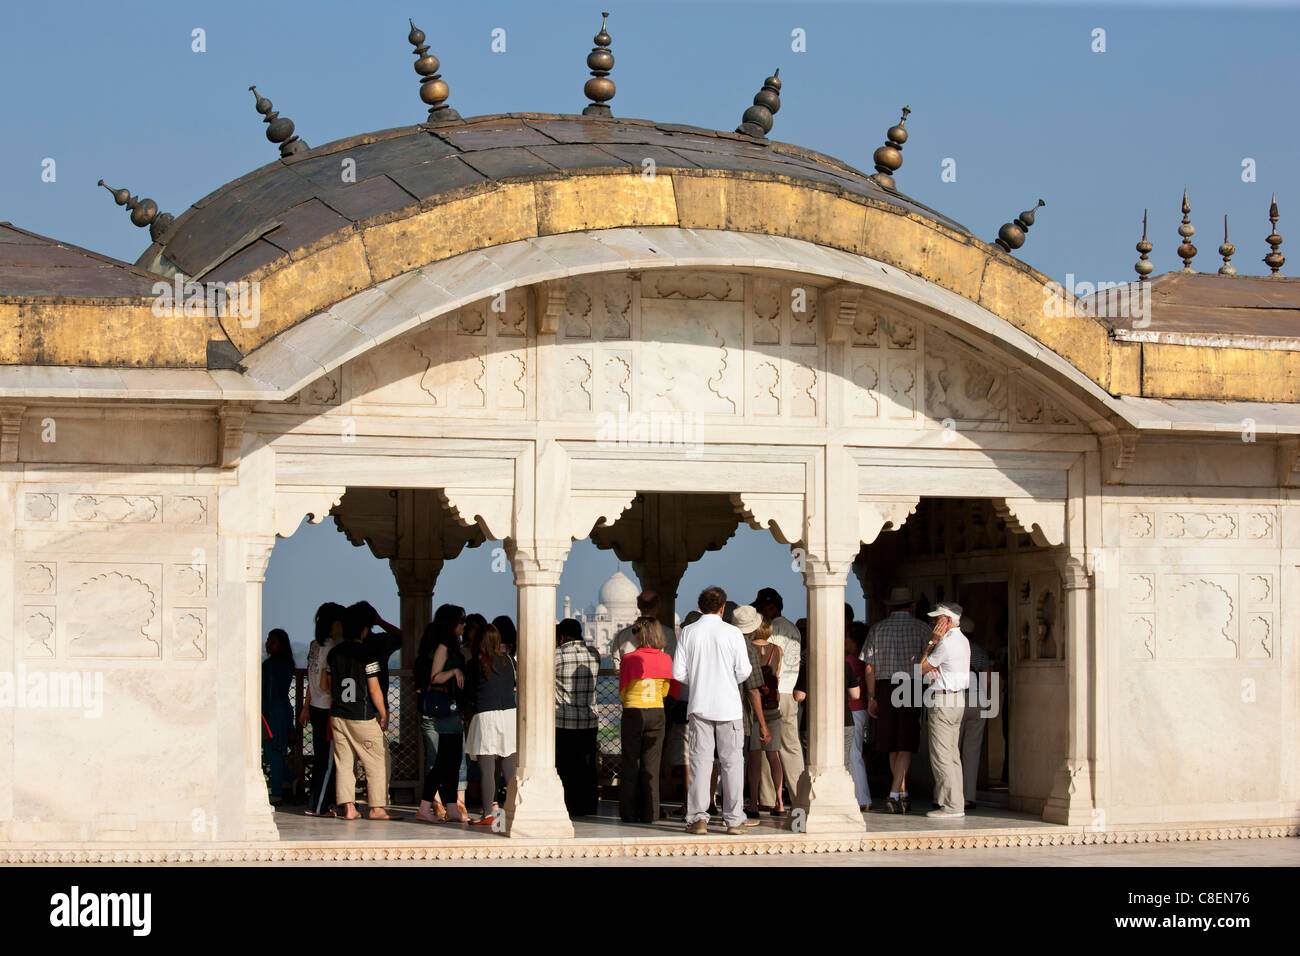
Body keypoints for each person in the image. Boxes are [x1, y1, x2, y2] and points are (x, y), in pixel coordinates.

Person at [672, 586, 753, 835]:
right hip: (728, 706)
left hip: (700, 705)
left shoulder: (688, 632)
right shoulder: (733, 633)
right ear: (722, 607)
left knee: (700, 763)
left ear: (700, 605)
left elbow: (678, 673)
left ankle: (698, 819)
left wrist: (699, 680)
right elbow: (744, 671)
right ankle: (735, 819)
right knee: (732, 763)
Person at [325, 602, 400, 820]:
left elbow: (327, 684)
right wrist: (383, 712)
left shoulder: (334, 654)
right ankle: (377, 807)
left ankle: (349, 807)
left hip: (339, 715)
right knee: (378, 758)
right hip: (362, 715)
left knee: (345, 762)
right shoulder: (368, 655)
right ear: (365, 630)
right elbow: (374, 688)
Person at [863, 586, 932, 813]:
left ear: (890, 606)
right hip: (910, 684)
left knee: (892, 743)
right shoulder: (922, 628)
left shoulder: (878, 629)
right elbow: (928, 663)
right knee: (906, 742)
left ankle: (899, 791)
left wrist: (872, 696)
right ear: (911, 606)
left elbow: (869, 666)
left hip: (884, 686)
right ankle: (897, 792)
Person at [618, 615, 680, 823]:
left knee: (630, 763)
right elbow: (668, 689)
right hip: (656, 711)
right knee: (651, 766)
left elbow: (623, 689)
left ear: (639, 635)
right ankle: (651, 812)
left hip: (634, 711)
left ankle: (628, 812)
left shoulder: (629, 659)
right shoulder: (665, 659)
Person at [753, 587, 805, 814]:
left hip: (772, 695)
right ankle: (799, 794)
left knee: (766, 745)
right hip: (790, 693)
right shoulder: (794, 629)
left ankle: (766, 797)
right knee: (791, 748)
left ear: (771, 607)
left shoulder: (772, 630)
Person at [415, 604, 466, 823]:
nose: (464, 625)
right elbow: (434, 677)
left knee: (453, 761)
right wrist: (453, 671)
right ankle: (425, 807)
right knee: (444, 761)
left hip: (453, 710)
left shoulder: (453, 645)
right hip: (445, 710)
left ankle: (452, 807)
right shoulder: (444, 647)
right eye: (461, 621)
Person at [463, 622, 517, 825]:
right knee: (509, 768)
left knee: (487, 769)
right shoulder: (510, 661)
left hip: (485, 716)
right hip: (509, 715)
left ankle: (488, 813)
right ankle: (513, 811)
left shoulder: (474, 664)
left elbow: (469, 693)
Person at [921, 602, 971, 819]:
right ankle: (955, 802)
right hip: (956, 700)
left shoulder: (946, 643)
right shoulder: (963, 640)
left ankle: (951, 805)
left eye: (937, 619)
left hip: (943, 702)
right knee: (952, 755)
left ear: (948, 621)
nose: (934, 623)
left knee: (942, 756)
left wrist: (932, 642)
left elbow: (921, 667)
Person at [734, 605, 783, 819]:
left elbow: (749, 685)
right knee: (774, 757)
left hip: (753, 711)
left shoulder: (745, 648)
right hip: (773, 708)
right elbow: (777, 678)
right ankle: (779, 802)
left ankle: (753, 803)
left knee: (754, 758)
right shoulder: (777, 650)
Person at [356, 601, 402, 804]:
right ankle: (379, 796)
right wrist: (381, 621)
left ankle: (349, 797)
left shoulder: (348, 646)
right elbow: (402, 636)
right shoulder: (380, 642)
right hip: (378, 703)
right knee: (377, 752)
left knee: (352, 753)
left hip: (354, 704)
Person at [302, 603, 345, 817]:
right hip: (328, 707)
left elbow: (311, 679)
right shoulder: (333, 648)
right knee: (328, 762)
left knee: (321, 758)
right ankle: (318, 806)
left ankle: (320, 801)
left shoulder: (314, 645)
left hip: (316, 706)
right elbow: (325, 682)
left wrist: (305, 707)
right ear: (335, 624)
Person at [555, 617, 600, 817]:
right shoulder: (595, 654)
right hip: (589, 719)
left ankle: (569, 804)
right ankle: (589, 804)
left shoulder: (556, 656)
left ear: (562, 636)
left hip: (564, 718)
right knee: (588, 764)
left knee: (566, 765)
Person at [262, 628, 297, 805]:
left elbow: (268, 692)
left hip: (271, 713)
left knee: (272, 753)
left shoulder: (270, 666)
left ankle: (277, 793)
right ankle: (293, 779)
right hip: (282, 711)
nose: (268, 644)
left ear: (281, 645)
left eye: (273, 641)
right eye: (268, 640)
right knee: (274, 753)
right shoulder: (285, 665)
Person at [958, 615, 989, 812]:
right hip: (978, 699)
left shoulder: (955, 648)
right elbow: (986, 681)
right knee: (972, 751)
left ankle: (944, 795)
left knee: (950, 749)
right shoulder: (980, 651)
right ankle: (969, 797)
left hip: (957, 699)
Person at [845, 622, 873, 811]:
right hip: (861, 708)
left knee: (853, 753)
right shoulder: (863, 660)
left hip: (853, 709)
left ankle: (862, 798)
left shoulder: (850, 661)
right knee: (856, 752)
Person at [611, 590, 674, 671]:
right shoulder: (668, 634)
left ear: (638, 605)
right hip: (658, 682)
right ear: (659, 605)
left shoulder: (622, 636)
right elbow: (672, 666)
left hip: (631, 682)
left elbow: (617, 669)